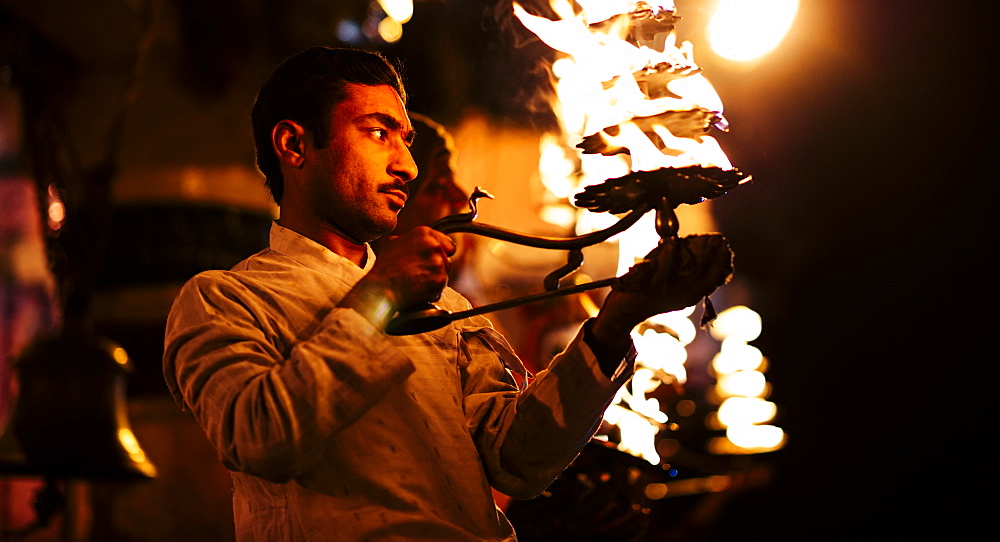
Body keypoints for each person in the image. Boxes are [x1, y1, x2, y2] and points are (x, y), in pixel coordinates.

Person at [162, 46, 730, 541]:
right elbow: (260, 436)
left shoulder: (449, 310)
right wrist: (381, 295)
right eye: (377, 132)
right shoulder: (224, 299)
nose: (406, 164)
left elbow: (516, 463)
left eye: (407, 140)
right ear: (293, 144)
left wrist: (612, 329)